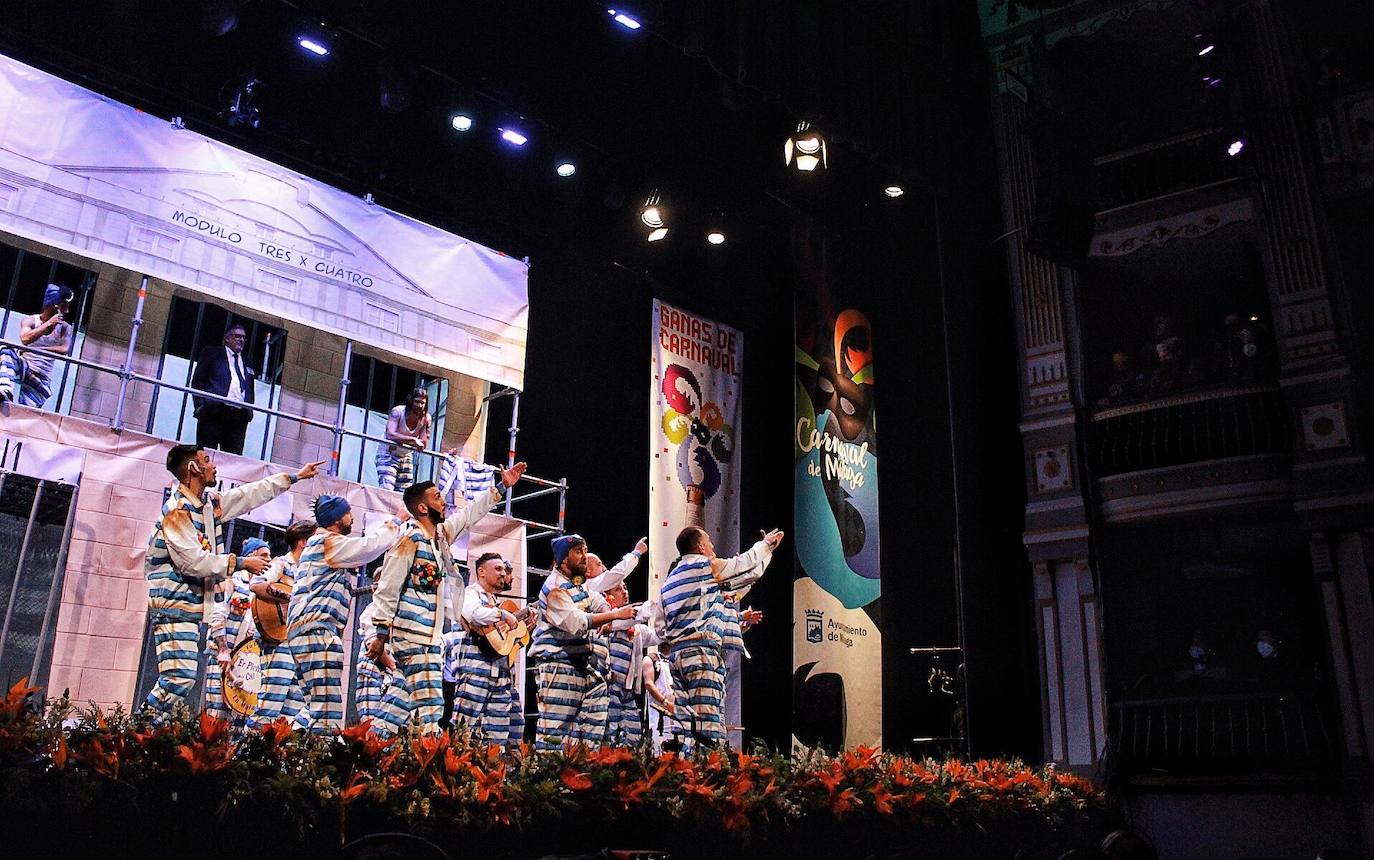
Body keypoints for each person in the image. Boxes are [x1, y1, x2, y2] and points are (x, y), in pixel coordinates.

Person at [142, 445, 322, 723]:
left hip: (189, 607)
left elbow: (249, 495)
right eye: (206, 460)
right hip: (171, 605)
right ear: (193, 469)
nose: (213, 465)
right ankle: (139, 730)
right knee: (179, 677)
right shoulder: (177, 512)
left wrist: (294, 478)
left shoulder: (207, 505)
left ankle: (147, 731)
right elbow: (194, 562)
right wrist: (240, 563)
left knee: (182, 677)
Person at [368, 464, 527, 734]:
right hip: (413, 636)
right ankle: (431, 766)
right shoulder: (409, 540)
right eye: (437, 497)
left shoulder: (439, 538)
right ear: (422, 508)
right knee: (431, 705)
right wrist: (381, 632)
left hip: (428, 637)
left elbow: (469, 515)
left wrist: (501, 488)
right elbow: (387, 587)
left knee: (397, 704)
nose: (444, 502)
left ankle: (364, 749)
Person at [289, 494, 406, 732]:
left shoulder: (320, 546)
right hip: (317, 632)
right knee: (327, 710)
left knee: (314, 704)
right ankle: (318, 762)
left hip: (305, 633)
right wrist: (396, 521)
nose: (352, 517)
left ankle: (278, 743)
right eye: (349, 512)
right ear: (337, 518)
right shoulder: (327, 542)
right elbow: (369, 547)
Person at [660, 525, 782, 746]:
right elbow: (743, 564)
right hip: (700, 655)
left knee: (685, 727)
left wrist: (768, 552)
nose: (713, 546)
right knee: (708, 727)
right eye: (709, 542)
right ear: (700, 547)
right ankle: (707, 776)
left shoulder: (669, 582)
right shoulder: (705, 567)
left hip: (677, 658)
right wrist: (765, 545)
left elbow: (747, 577)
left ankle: (684, 773)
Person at [529, 534, 638, 751]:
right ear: (562, 560)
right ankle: (548, 780)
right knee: (555, 731)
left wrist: (606, 612)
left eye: (585, 550)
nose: (584, 557)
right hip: (560, 666)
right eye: (578, 552)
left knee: (593, 727)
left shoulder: (579, 585)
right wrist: (615, 616)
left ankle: (584, 776)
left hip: (587, 668)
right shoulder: (554, 588)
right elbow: (576, 623)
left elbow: (598, 601)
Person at [454, 552, 537, 746]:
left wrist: (524, 628)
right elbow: (473, 614)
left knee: (498, 734)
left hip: (502, 674)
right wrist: (503, 615)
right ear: (481, 572)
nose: (503, 573)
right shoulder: (470, 593)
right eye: (497, 569)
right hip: (475, 672)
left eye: (504, 569)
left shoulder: (494, 600)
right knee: (465, 727)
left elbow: (506, 643)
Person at [247, 519, 316, 729]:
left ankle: (278, 755)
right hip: (277, 638)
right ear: (304, 542)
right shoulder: (281, 564)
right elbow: (257, 585)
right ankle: (245, 753)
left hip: (299, 643)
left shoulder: (311, 573)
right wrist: (291, 598)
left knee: (295, 707)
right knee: (270, 703)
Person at [205, 536, 270, 722]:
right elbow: (217, 614)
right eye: (264, 556)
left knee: (242, 714)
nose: (268, 560)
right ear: (251, 557)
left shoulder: (264, 588)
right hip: (225, 657)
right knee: (216, 715)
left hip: (247, 662)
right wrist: (223, 649)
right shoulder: (231, 581)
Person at [0, 283, 74, 408]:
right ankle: (6, 389)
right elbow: (25, 339)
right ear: (52, 306)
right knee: (5, 350)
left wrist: (39, 349)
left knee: (25, 415)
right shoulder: (30, 321)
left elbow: (64, 349)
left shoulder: (65, 328)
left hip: (42, 378)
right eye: (63, 307)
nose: (66, 311)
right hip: (26, 368)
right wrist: (47, 325)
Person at [601, 580, 656, 747]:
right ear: (609, 596)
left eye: (625, 587)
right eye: (618, 589)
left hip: (627, 690)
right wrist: (657, 604)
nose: (624, 592)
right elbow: (631, 617)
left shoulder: (636, 629)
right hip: (610, 688)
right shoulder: (608, 621)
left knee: (632, 736)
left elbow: (657, 636)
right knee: (609, 733)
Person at [191, 323, 256, 455]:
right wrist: (201, 405)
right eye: (237, 336)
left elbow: (249, 388)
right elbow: (198, 381)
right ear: (227, 338)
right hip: (214, 411)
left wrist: (248, 411)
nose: (241, 340)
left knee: (233, 459)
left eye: (244, 338)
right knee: (206, 455)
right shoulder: (212, 354)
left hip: (238, 417)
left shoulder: (247, 362)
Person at [355, 599, 408, 734]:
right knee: (371, 725)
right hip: (375, 672)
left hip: (393, 671)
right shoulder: (374, 608)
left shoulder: (403, 608)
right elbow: (372, 646)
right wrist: (396, 670)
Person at [376, 388, 432, 491]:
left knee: (404, 493)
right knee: (387, 488)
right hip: (388, 453)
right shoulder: (398, 412)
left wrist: (405, 440)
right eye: (417, 402)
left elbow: (423, 443)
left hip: (406, 456)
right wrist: (413, 440)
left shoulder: (426, 419)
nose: (419, 406)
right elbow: (390, 435)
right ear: (411, 401)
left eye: (422, 403)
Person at [643, 646, 686, 752]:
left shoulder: (680, 659)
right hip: (659, 717)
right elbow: (649, 684)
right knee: (659, 750)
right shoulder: (651, 659)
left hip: (678, 717)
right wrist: (665, 702)